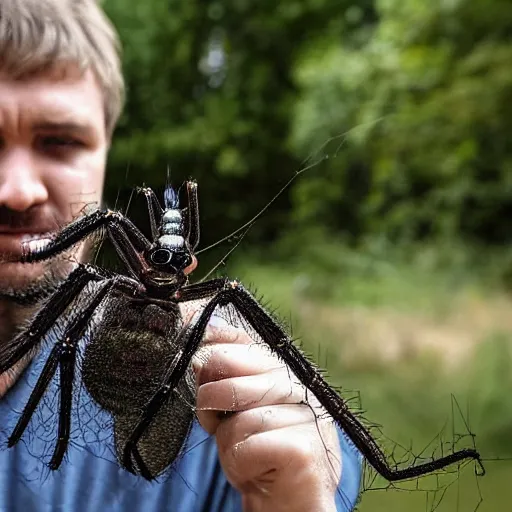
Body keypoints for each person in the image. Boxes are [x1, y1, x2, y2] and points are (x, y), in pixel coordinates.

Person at [0, 1, 362, 511]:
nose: (17, 191)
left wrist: (301, 503)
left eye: (59, 140)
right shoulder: (102, 281)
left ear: (105, 149)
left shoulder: (243, 403)